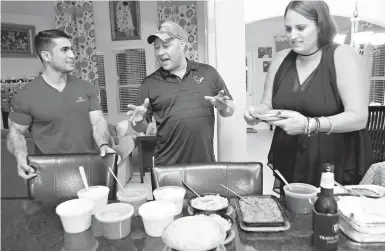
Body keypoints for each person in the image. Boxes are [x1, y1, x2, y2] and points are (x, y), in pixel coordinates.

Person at [244, 1, 372, 191]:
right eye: (288, 29)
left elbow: (359, 117)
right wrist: (256, 113)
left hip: (333, 162)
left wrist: (309, 125)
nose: (292, 36)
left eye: (301, 28)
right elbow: (267, 104)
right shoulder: (280, 59)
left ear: (321, 25)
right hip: (290, 156)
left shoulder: (342, 55)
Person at [7, 29, 118, 180]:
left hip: (91, 164)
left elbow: (97, 121)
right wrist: (21, 156)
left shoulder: (86, 87)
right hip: (51, 171)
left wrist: (104, 144)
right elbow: (16, 133)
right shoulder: (25, 96)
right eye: (64, 50)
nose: (72, 55)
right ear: (46, 56)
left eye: (71, 49)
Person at [122, 21, 235, 165]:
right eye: (157, 48)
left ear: (182, 44)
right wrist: (138, 121)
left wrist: (224, 107)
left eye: (166, 46)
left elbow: (229, 110)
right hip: (167, 168)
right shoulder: (149, 84)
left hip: (205, 165)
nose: (160, 52)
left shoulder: (208, 73)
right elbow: (142, 128)